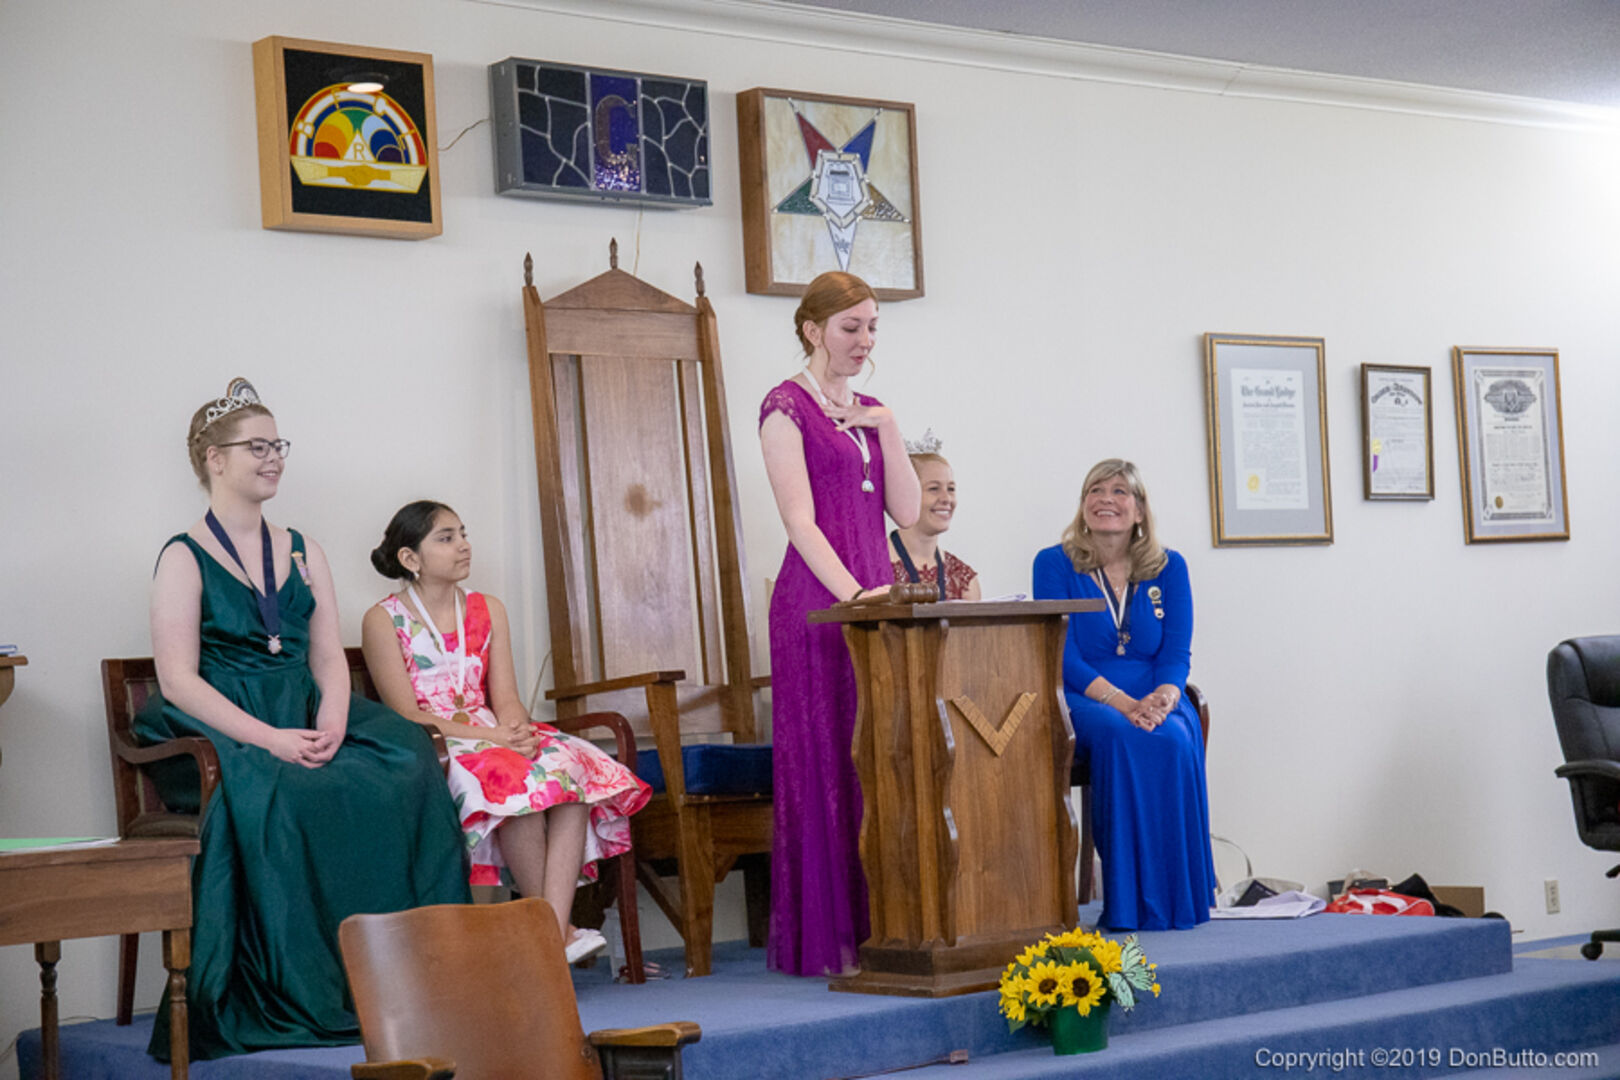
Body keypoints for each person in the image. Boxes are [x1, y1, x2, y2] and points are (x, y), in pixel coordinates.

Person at [137, 379, 470, 1062]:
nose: (274, 458)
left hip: (304, 708)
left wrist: (336, 722)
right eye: (257, 447)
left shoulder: (301, 549)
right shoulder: (182, 556)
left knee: (407, 762)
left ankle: (418, 980)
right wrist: (270, 739)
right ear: (215, 460)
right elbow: (177, 680)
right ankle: (308, 991)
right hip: (220, 725)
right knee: (287, 791)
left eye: (278, 445)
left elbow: (326, 658)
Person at [361, 500, 651, 964]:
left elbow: (507, 696)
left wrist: (516, 730)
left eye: (463, 533)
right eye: (446, 538)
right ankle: (557, 933)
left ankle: (552, 931)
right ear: (410, 558)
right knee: (515, 783)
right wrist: (497, 741)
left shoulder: (488, 608)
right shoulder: (383, 619)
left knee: (573, 772)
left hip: (492, 731)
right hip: (436, 741)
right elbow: (406, 715)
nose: (463, 545)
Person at [759, 270, 920, 975]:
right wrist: (855, 598)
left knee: (877, 762)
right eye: (851, 327)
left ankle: (884, 924)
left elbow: (906, 512)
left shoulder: (873, 410)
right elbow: (800, 522)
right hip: (821, 604)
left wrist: (891, 430)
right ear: (812, 329)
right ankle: (828, 937)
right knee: (829, 758)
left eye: (872, 327)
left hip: (873, 597)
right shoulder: (784, 407)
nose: (865, 340)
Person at [1031, 459, 1216, 931]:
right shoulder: (1053, 563)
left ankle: (1176, 899)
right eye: (1095, 490)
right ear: (1083, 505)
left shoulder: (1170, 566)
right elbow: (1060, 655)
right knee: (1121, 733)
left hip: (1156, 693)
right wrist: (1123, 703)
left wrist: (1165, 698)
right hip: (1085, 695)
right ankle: (1128, 902)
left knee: (1173, 737)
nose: (1106, 500)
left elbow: (1176, 649)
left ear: (1139, 509)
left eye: (1119, 491)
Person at [888, 435, 981, 601]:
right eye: (934, 489)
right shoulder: (875, 566)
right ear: (907, 493)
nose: (946, 499)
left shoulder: (965, 580)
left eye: (951, 489)